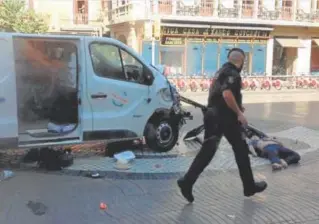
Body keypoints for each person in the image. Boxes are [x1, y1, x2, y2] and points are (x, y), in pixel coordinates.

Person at [177, 48, 267, 203]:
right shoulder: (233, 73)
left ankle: (187, 181)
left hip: (214, 115)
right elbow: (226, 94)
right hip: (224, 119)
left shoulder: (221, 71)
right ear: (241, 61)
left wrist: (237, 106)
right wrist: (239, 112)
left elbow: (221, 95)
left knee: (209, 152)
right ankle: (249, 187)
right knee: (240, 149)